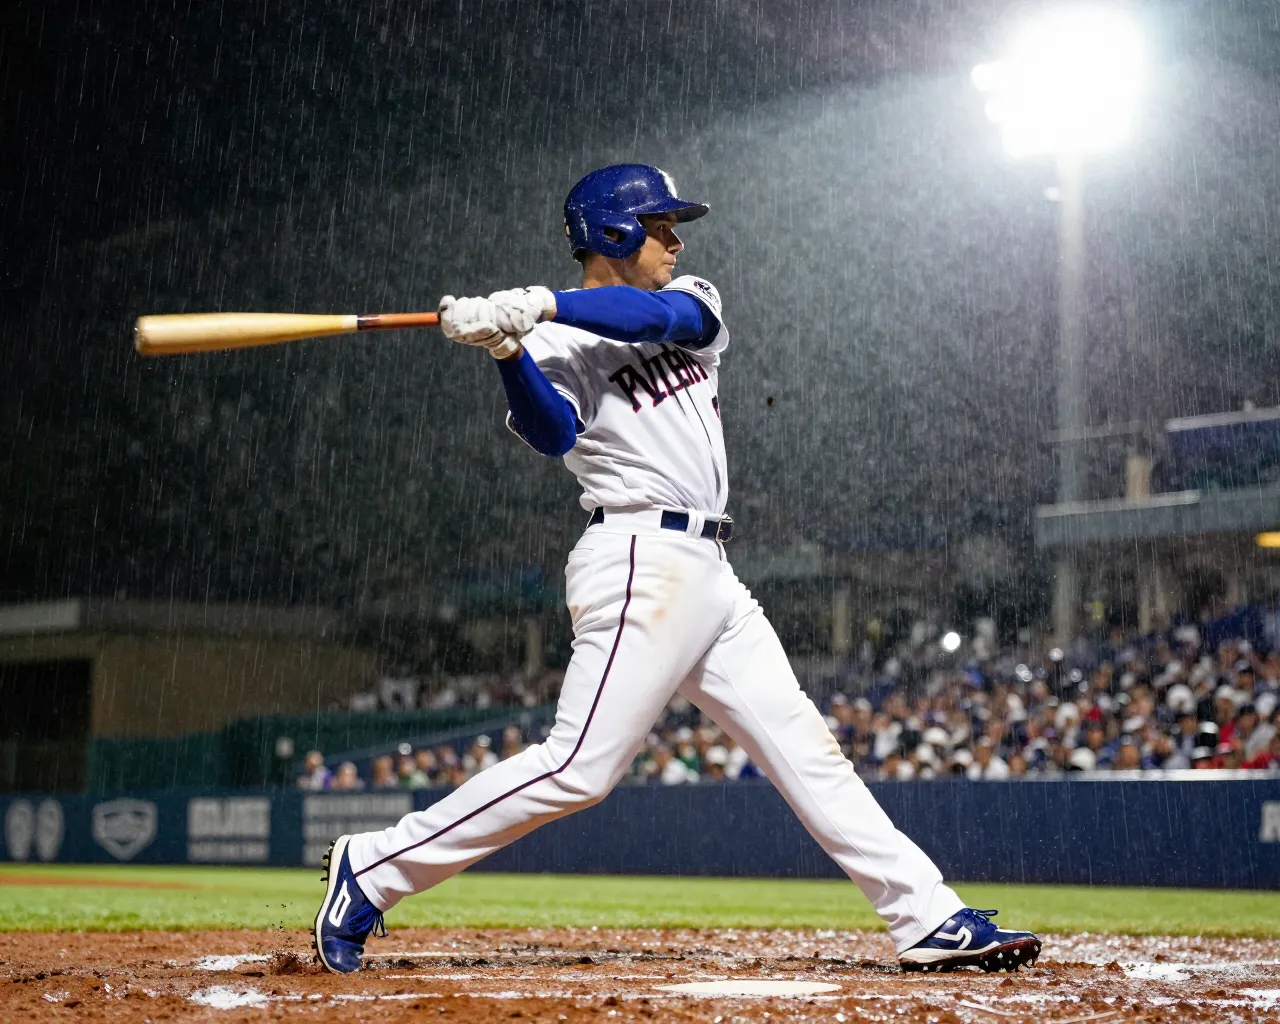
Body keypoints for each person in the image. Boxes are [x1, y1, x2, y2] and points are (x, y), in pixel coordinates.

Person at [313, 163, 1040, 976]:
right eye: (659, 225)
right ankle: (373, 868)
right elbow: (551, 432)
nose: (675, 238)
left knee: (806, 748)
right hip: (637, 558)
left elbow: (668, 317)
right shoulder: (549, 338)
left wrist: (542, 303)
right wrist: (509, 349)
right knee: (579, 769)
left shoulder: (687, 294)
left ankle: (926, 916)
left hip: (712, 569)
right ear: (614, 233)